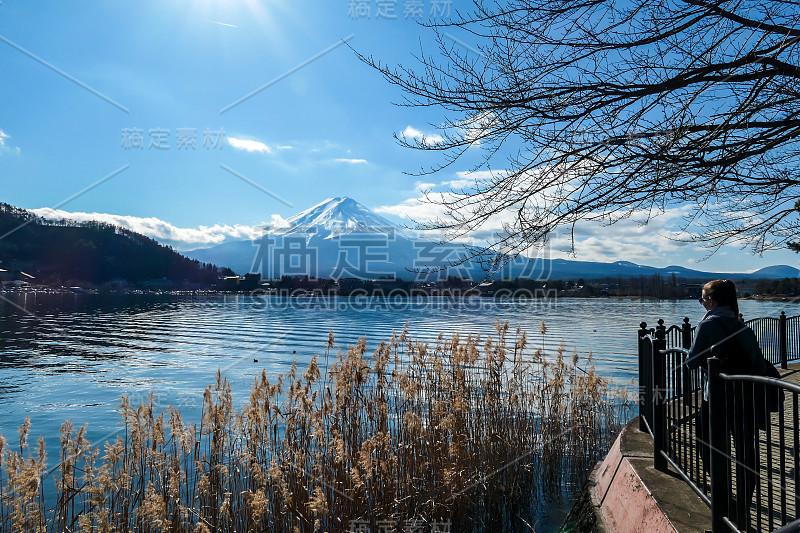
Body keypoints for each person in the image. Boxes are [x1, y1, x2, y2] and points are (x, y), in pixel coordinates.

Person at [685, 279, 758, 525]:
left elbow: (692, 361)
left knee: (708, 445)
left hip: (716, 399)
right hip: (746, 397)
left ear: (711, 301)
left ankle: (724, 504)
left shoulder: (708, 325)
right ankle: (743, 508)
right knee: (747, 452)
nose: (702, 302)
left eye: (702, 299)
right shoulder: (741, 325)